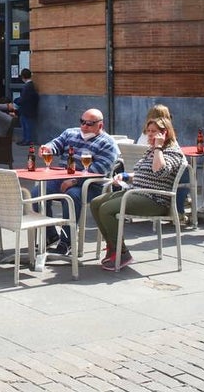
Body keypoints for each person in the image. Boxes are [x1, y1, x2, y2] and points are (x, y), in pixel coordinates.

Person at [89, 117, 186, 271]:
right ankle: (114, 247)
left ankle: (121, 253)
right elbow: (143, 172)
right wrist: (126, 176)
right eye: (148, 131)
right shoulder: (151, 150)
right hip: (138, 193)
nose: (149, 135)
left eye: (154, 132)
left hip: (156, 200)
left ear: (165, 133)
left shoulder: (173, 152)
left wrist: (158, 148)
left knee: (107, 209)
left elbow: (159, 171)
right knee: (96, 203)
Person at [39, 108, 121, 255]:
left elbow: (98, 170)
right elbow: (56, 144)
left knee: (71, 195)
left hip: (92, 185)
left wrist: (75, 181)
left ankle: (67, 242)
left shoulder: (108, 144)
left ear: (100, 126)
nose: (84, 126)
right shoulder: (71, 133)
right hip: (63, 178)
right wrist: (48, 148)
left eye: (89, 124)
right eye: (82, 122)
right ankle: (50, 235)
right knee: (38, 192)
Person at [15, 69, 39, 145]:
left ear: (23, 76)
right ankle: (25, 139)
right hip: (28, 109)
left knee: (26, 125)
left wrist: (16, 101)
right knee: (25, 125)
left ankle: (27, 140)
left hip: (27, 109)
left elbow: (24, 99)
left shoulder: (27, 86)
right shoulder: (30, 85)